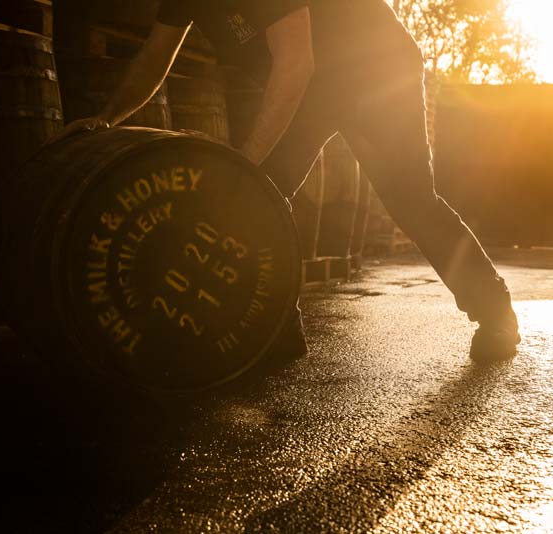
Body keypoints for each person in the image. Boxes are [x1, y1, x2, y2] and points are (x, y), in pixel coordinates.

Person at [57, 0, 521, 361]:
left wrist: (249, 160)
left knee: (411, 200)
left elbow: (296, 63)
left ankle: (496, 314)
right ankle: (276, 329)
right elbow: (155, 57)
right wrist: (106, 118)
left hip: (376, 71)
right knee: (263, 197)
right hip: (317, 85)